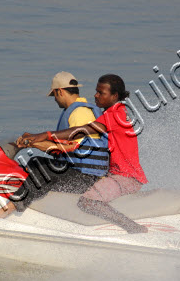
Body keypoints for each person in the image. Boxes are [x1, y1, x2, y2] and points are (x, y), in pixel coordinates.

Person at [18, 74, 148, 233]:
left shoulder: (116, 114)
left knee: (87, 202)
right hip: (115, 175)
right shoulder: (112, 113)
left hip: (127, 177)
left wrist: (45, 135)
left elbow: (81, 131)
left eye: (101, 93)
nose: (96, 95)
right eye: (96, 91)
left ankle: (133, 228)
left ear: (114, 96)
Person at [12, 71, 109, 210]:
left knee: (41, 167)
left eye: (54, 95)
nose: (55, 99)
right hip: (79, 173)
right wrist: (33, 142)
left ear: (60, 92)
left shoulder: (80, 113)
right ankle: (30, 198)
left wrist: (34, 143)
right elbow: (61, 149)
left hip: (89, 179)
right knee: (35, 162)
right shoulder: (75, 110)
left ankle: (15, 206)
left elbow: (68, 148)